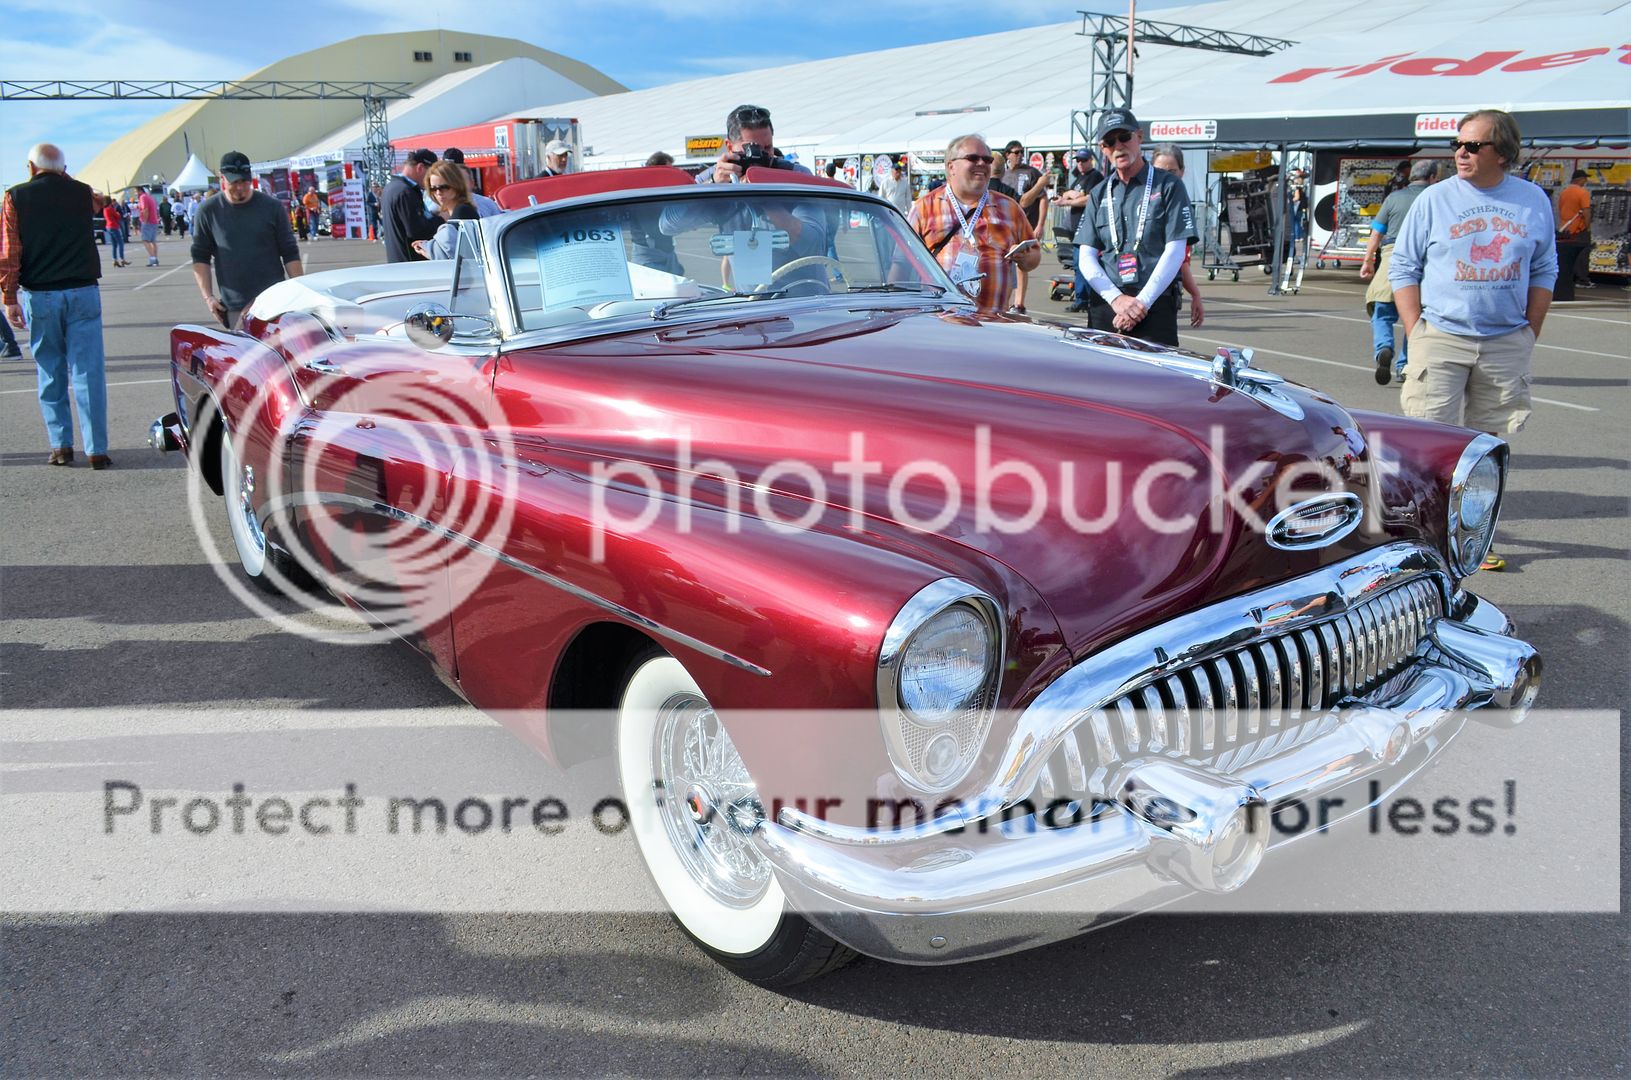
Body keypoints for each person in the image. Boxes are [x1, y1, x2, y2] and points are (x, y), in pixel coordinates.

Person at [1389, 109, 1556, 572]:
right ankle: (1420, 541)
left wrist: (1529, 331)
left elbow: (1544, 268)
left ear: (1501, 153)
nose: (1460, 153)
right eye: (1457, 144)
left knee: (1483, 451)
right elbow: (1404, 266)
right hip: (1440, 336)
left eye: (1472, 145)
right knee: (1425, 444)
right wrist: (1415, 329)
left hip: (1505, 341)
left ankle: (1472, 540)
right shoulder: (1434, 200)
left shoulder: (1532, 200)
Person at [1, 143, 111, 467]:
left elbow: (9, 254)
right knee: (88, 372)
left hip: (42, 293)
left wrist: (9, 298)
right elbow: (98, 203)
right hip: (83, 290)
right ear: (64, 169)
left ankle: (61, 446)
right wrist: (64, 176)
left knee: (50, 370)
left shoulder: (15, 197)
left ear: (31, 168)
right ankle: (96, 450)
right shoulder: (81, 192)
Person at [1073, 108, 1197, 346]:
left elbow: (1176, 251)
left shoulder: (1169, 186)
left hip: (1154, 304)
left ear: (1139, 137)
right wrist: (1117, 300)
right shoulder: (1099, 193)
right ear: (1103, 149)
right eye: (1110, 141)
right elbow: (1086, 256)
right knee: (1101, 380)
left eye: (1124, 137)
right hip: (1108, 304)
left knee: (1154, 381)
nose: (1118, 146)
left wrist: (1142, 303)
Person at [906, 133, 1040, 316]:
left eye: (987, 159)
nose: (982, 164)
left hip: (991, 324)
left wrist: (1026, 258)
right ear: (951, 167)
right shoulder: (925, 208)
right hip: (938, 323)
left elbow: (1034, 255)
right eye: (973, 158)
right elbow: (900, 266)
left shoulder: (1009, 209)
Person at [190, 151, 303, 330]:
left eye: (244, 181)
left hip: (275, 303)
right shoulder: (207, 211)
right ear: (222, 178)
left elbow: (289, 252)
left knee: (281, 355)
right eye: (234, 182)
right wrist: (208, 297)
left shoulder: (272, 207)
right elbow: (200, 257)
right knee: (244, 358)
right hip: (236, 307)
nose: (240, 187)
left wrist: (300, 291)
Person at [1360, 159, 1439, 384]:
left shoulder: (1394, 198)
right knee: (1414, 316)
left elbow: (1376, 232)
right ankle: (1405, 365)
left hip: (1391, 256)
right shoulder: (1436, 199)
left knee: (1382, 311)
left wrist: (1368, 261)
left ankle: (1383, 347)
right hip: (1425, 260)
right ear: (1432, 177)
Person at [1150, 144, 1204, 328]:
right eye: (1158, 171)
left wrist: (1195, 294)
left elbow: (1181, 261)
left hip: (1162, 295)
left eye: (1172, 171)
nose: (1165, 177)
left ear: (1182, 172)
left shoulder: (1180, 208)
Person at [698, 105, 812, 186]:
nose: (761, 156)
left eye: (767, 148)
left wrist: (761, 194)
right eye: (752, 149)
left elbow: (809, 220)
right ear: (729, 146)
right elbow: (682, 215)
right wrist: (713, 184)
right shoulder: (714, 175)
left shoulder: (797, 176)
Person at [999, 141, 1049, 314]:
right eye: (1016, 152)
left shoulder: (1031, 172)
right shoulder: (1003, 174)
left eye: (1021, 152)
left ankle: (1019, 303)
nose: (1020, 155)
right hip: (1007, 225)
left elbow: (1043, 198)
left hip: (1027, 222)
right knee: (1004, 262)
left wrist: (1041, 224)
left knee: (1022, 262)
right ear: (1007, 154)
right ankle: (1004, 301)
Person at [1052, 148, 1104, 312]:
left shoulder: (1095, 176)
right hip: (1075, 230)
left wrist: (1070, 200)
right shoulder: (1079, 177)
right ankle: (1082, 299)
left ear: (1091, 160)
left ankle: (1086, 300)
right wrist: (1071, 194)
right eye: (1078, 161)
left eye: (1083, 160)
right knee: (1077, 264)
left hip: (1087, 228)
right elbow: (1069, 193)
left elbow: (1088, 199)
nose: (1080, 163)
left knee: (1085, 264)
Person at [411, 161, 480, 261]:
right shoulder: (461, 210)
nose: (438, 193)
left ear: (456, 185)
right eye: (433, 189)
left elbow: (454, 253)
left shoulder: (462, 211)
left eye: (444, 187)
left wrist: (428, 248)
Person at [382, 148, 440, 263]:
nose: (431, 180)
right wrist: (441, 219)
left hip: (399, 260)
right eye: (430, 174)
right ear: (420, 168)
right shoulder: (405, 192)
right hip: (410, 263)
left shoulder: (392, 187)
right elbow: (416, 231)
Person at [1554, 169, 1593, 301]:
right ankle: (1583, 279)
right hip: (1578, 228)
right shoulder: (1583, 193)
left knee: (1566, 257)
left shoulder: (1564, 192)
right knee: (1583, 253)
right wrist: (1588, 227)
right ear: (1580, 179)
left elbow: (1560, 209)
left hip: (1565, 228)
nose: (1586, 181)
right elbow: (1586, 212)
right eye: (1585, 179)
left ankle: (1571, 278)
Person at [441, 149, 502, 217]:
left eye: (456, 172)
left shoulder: (486, 203)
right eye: (447, 171)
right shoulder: (434, 205)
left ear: (471, 183)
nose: (452, 177)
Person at [137, 185, 161, 266]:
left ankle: (152, 258)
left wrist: (145, 221)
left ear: (140, 191)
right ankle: (155, 258)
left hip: (148, 221)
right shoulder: (150, 197)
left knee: (145, 240)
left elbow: (145, 209)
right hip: (154, 220)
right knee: (152, 241)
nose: (136, 193)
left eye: (136, 191)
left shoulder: (143, 197)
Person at [103, 196, 128, 267]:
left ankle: (115, 259)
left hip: (108, 226)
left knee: (114, 245)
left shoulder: (104, 209)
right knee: (121, 243)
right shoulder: (110, 208)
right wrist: (118, 214)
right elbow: (118, 216)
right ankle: (122, 259)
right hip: (114, 226)